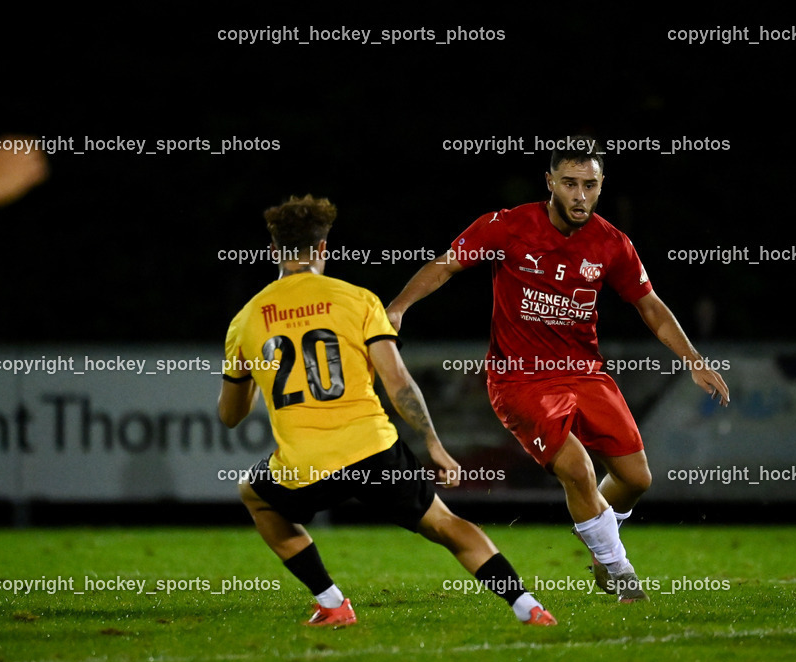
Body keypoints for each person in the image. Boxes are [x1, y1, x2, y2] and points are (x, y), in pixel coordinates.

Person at [386, 136, 730, 603]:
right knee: (578, 469)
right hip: (520, 380)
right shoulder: (507, 227)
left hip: (585, 373)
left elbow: (649, 305)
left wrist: (694, 361)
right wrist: (399, 307)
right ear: (549, 182)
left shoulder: (612, 243)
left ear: (602, 185)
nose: (580, 195)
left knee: (636, 479)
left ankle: (598, 536)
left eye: (590, 185)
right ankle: (621, 575)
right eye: (569, 183)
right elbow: (447, 265)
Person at [218, 194, 556, 627]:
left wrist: (248, 377)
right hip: (375, 449)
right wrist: (434, 443)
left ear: (272, 251)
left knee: (254, 493)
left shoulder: (245, 322)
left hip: (306, 465)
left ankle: (333, 602)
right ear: (323, 249)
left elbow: (231, 415)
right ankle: (528, 607)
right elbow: (398, 383)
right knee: (446, 524)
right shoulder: (358, 300)